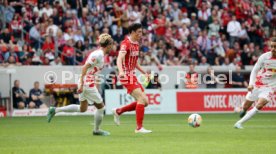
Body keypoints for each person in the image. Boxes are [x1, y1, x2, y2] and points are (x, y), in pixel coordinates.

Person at [47, 33, 114, 136]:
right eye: (111, 45)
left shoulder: (99, 54)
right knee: (101, 108)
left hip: (86, 82)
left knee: (83, 109)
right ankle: (96, 130)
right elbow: (84, 68)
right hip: (87, 83)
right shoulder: (98, 54)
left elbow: (91, 70)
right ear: (108, 45)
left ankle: (55, 110)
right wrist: (82, 84)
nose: (112, 47)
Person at [112, 23, 152, 134]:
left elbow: (135, 62)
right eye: (139, 32)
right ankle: (139, 128)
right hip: (125, 75)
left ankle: (118, 111)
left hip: (132, 75)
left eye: (141, 31)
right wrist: (120, 71)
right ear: (133, 32)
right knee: (141, 99)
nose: (141, 34)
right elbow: (119, 59)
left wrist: (144, 73)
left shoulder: (136, 44)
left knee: (146, 102)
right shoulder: (126, 43)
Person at [234, 37, 276, 129]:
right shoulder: (264, 57)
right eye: (272, 46)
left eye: (275, 47)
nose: (273, 49)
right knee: (246, 106)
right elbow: (254, 70)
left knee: (260, 105)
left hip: (270, 87)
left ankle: (239, 123)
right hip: (258, 84)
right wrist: (251, 84)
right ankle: (244, 110)